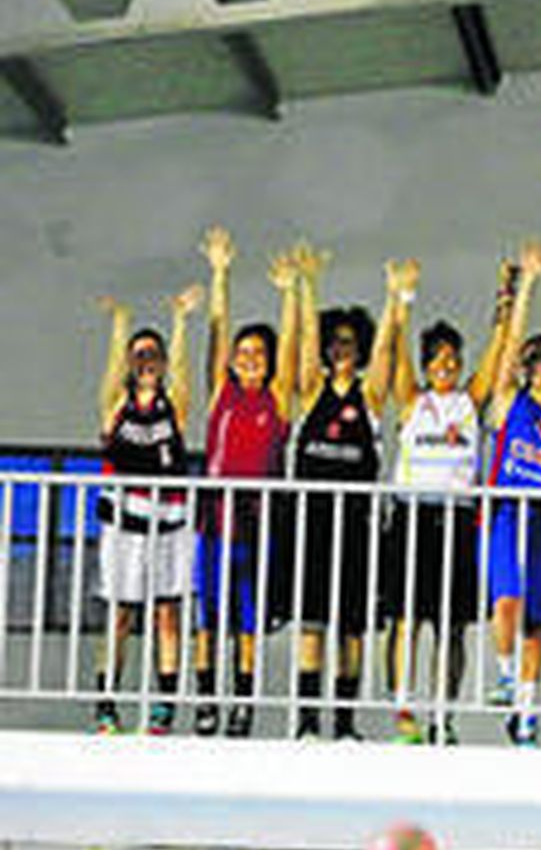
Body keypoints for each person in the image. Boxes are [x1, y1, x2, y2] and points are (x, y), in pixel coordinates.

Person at [383, 258, 510, 745]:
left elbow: (499, 349)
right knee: (406, 618)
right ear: (425, 365)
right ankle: (403, 711)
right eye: (436, 362)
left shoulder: (468, 401)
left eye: (453, 362)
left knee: (452, 626)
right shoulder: (413, 400)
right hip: (414, 515)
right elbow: (394, 357)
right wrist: (402, 300)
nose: (446, 369)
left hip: (456, 521)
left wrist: (508, 296)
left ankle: (444, 715)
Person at [289, 244, 397, 740]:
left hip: (356, 524)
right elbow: (306, 345)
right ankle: (308, 720)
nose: (341, 349)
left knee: (351, 626)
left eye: (350, 342)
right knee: (311, 623)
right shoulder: (313, 390)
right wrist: (308, 286)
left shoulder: (369, 396)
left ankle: (344, 721)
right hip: (312, 523)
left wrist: (398, 299)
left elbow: (385, 358)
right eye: (336, 342)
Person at [193, 227, 297, 738]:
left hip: (256, 525)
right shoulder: (222, 396)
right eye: (243, 353)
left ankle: (243, 703)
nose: (248, 358)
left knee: (248, 618)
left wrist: (289, 294)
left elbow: (293, 348)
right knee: (210, 615)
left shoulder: (276, 400)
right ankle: (207, 698)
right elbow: (215, 335)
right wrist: (219, 272)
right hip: (214, 521)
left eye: (258, 353)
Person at [92, 283, 200, 735]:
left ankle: (163, 709)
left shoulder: (172, 406)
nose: (147, 360)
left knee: (168, 613)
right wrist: (120, 326)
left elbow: (182, 373)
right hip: (123, 523)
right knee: (120, 613)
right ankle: (105, 704)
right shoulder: (116, 407)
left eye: (153, 354)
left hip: (169, 523)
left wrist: (179, 321)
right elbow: (114, 369)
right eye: (140, 355)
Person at [484, 239, 541, 744]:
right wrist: (525, 285)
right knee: (506, 602)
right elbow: (508, 350)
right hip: (511, 511)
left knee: (538, 624)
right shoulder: (511, 403)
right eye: (536, 362)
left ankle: (527, 712)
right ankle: (506, 675)